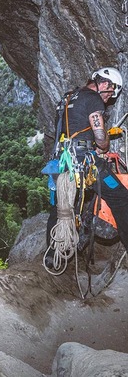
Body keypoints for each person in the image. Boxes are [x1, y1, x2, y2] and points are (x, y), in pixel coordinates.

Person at [45, 67, 128, 268]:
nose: (108, 99)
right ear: (106, 84)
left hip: (61, 163)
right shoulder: (93, 98)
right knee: (120, 197)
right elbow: (100, 138)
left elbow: (71, 129)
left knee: (62, 206)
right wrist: (105, 144)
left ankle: (52, 257)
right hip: (84, 164)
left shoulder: (66, 99)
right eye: (110, 93)